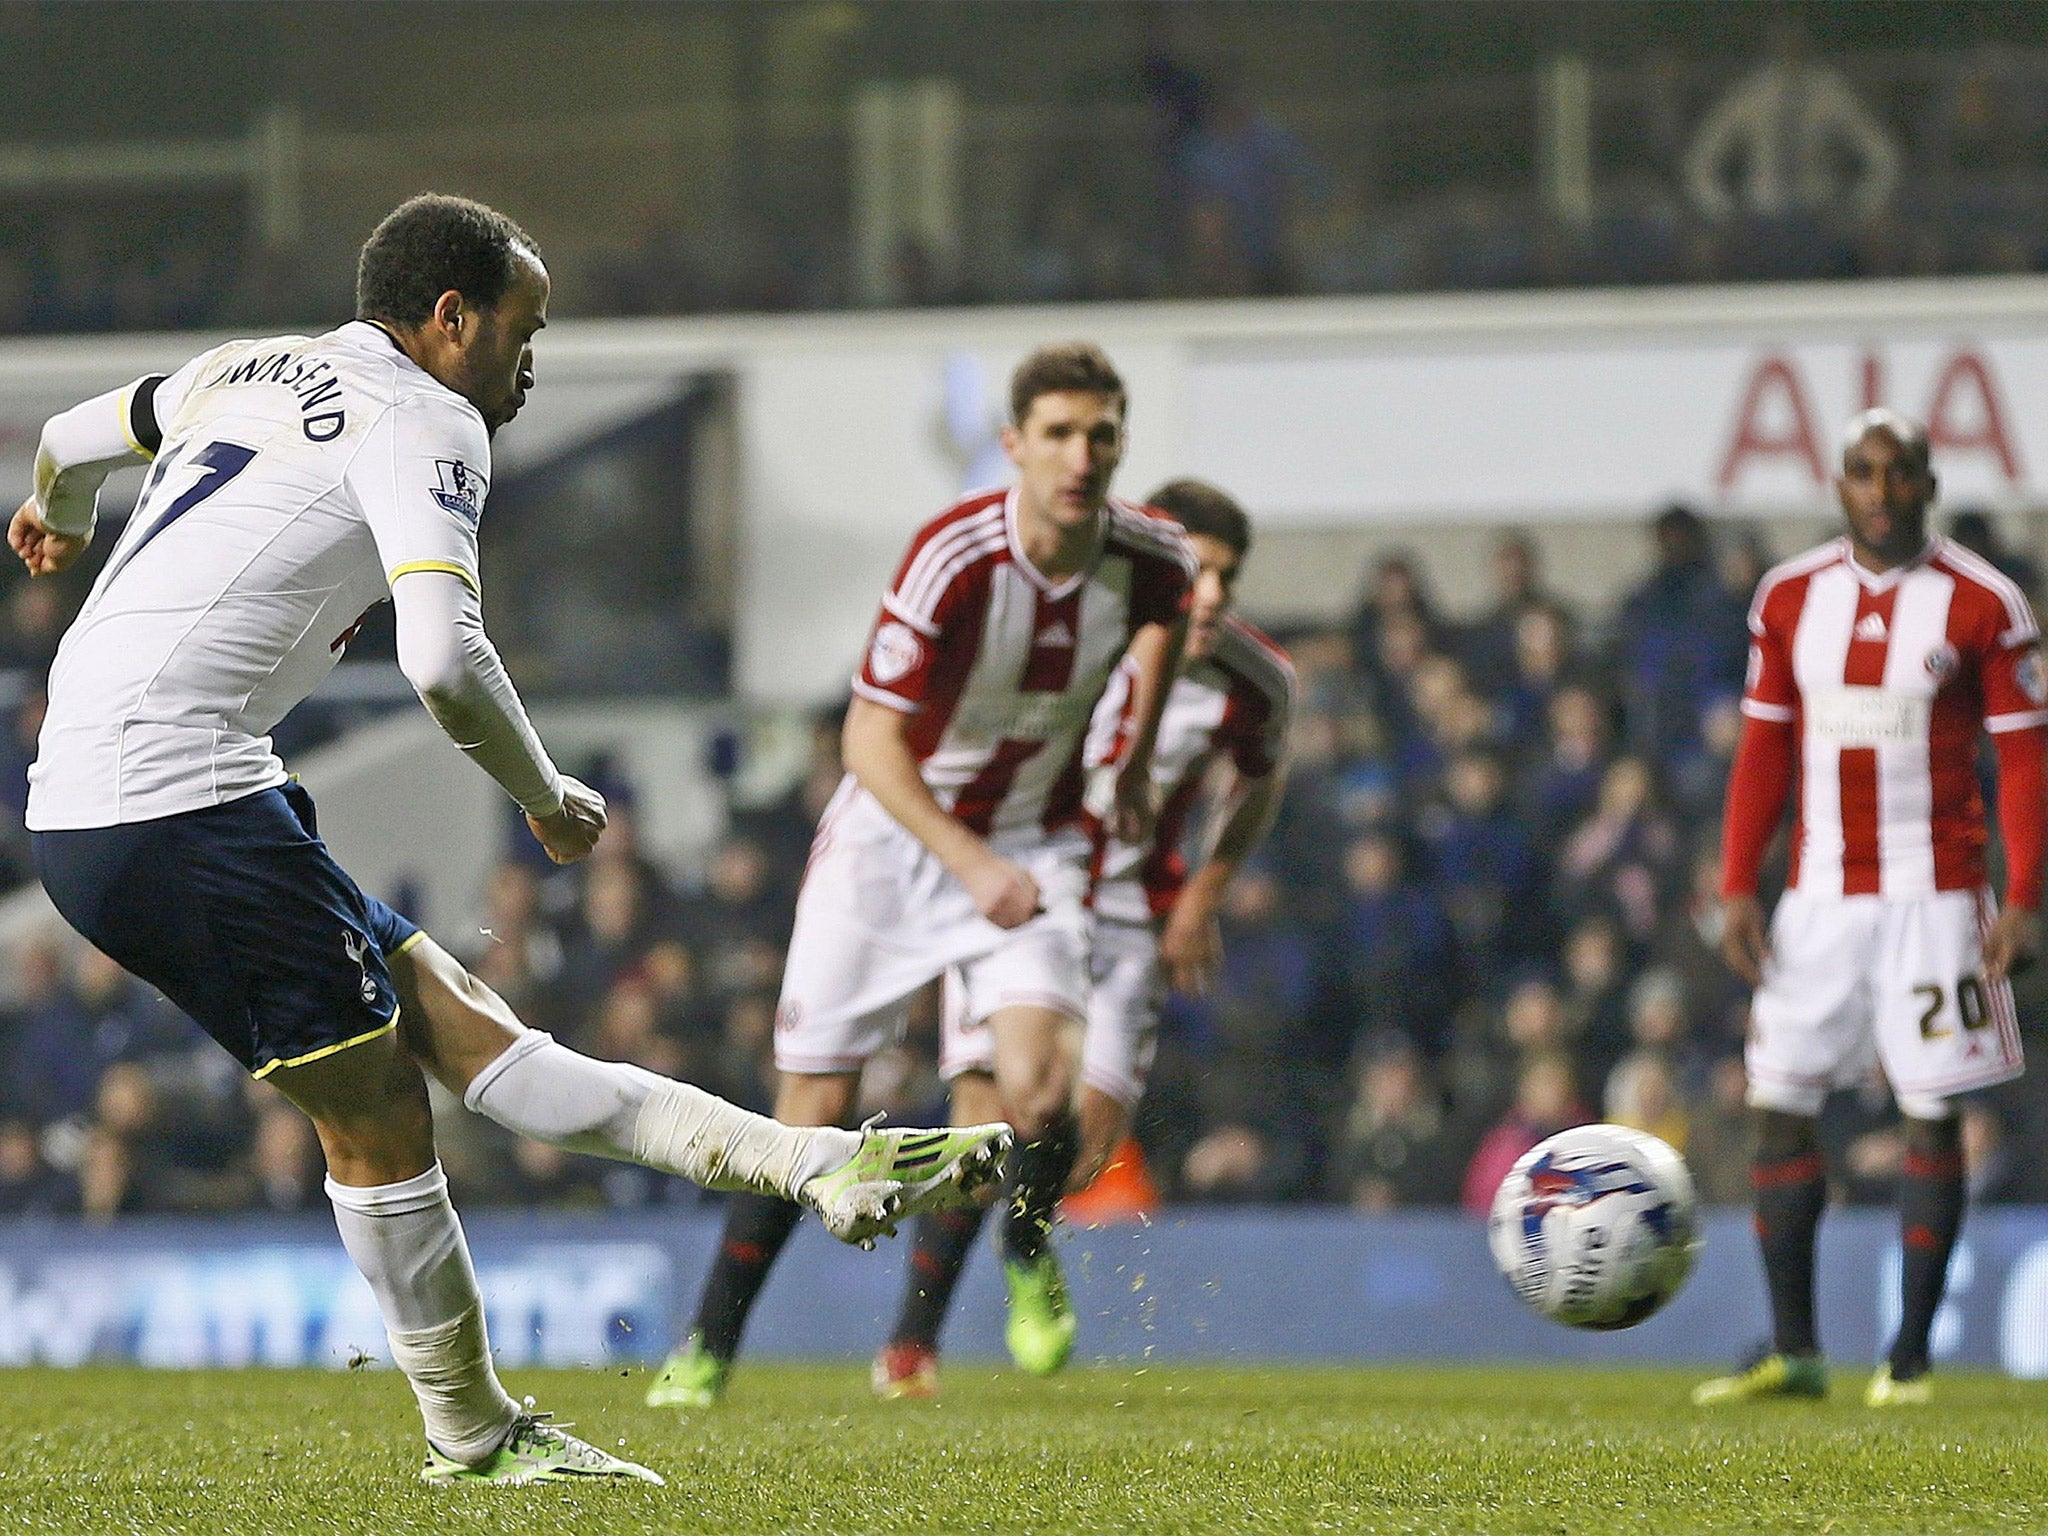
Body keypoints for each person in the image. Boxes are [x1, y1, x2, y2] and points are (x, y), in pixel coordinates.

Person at [9, 193, 1010, 1486]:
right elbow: (444, 656)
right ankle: (472, 1437)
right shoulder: (432, 419)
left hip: (159, 791)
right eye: (523, 329)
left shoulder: (240, 368)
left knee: (476, 1038)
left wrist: (63, 512)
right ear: (450, 317)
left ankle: (816, 1164)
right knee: (375, 1116)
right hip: (165, 800)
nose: (529, 361)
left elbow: (68, 438)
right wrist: (545, 795)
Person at [649, 343, 1193, 1410]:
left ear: (1117, 444)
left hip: (1031, 840)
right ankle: (707, 1345)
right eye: (1058, 434)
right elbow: (866, 740)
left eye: (1100, 435)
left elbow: (1165, 622)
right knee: (810, 1112)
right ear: (1014, 447)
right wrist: (966, 862)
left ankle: (985, 1284)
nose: (1080, 456)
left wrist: (1125, 761)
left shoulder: (1148, 558)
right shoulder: (955, 557)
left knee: (1032, 1098)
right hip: (895, 845)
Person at [871, 477, 1294, 1398]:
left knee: (1082, 1141)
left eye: (1229, 577)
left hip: (1133, 920)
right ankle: (910, 1347)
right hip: (1025, 897)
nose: (1211, 596)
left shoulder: (1252, 682)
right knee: (982, 1126)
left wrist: (1202, 897)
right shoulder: (1081, 640)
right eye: (1198, 572)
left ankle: (1025, 1242)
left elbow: (1260, 783)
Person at [1694, 409, 2039, 1410]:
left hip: (1935, 899)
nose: (1880, 491)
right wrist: (1732, 883)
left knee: (1931, 1114)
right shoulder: (1789, 598)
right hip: (1816, 899)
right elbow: (1761, 748)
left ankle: (1909, 1360)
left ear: (1927, 486)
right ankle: (1795, 1352)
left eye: (1898, 474)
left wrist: (2021, 895)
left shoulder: (1982, 603)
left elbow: (2023, 757)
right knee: (1776, 1104)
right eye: (1861, 473)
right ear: (1837, 484)